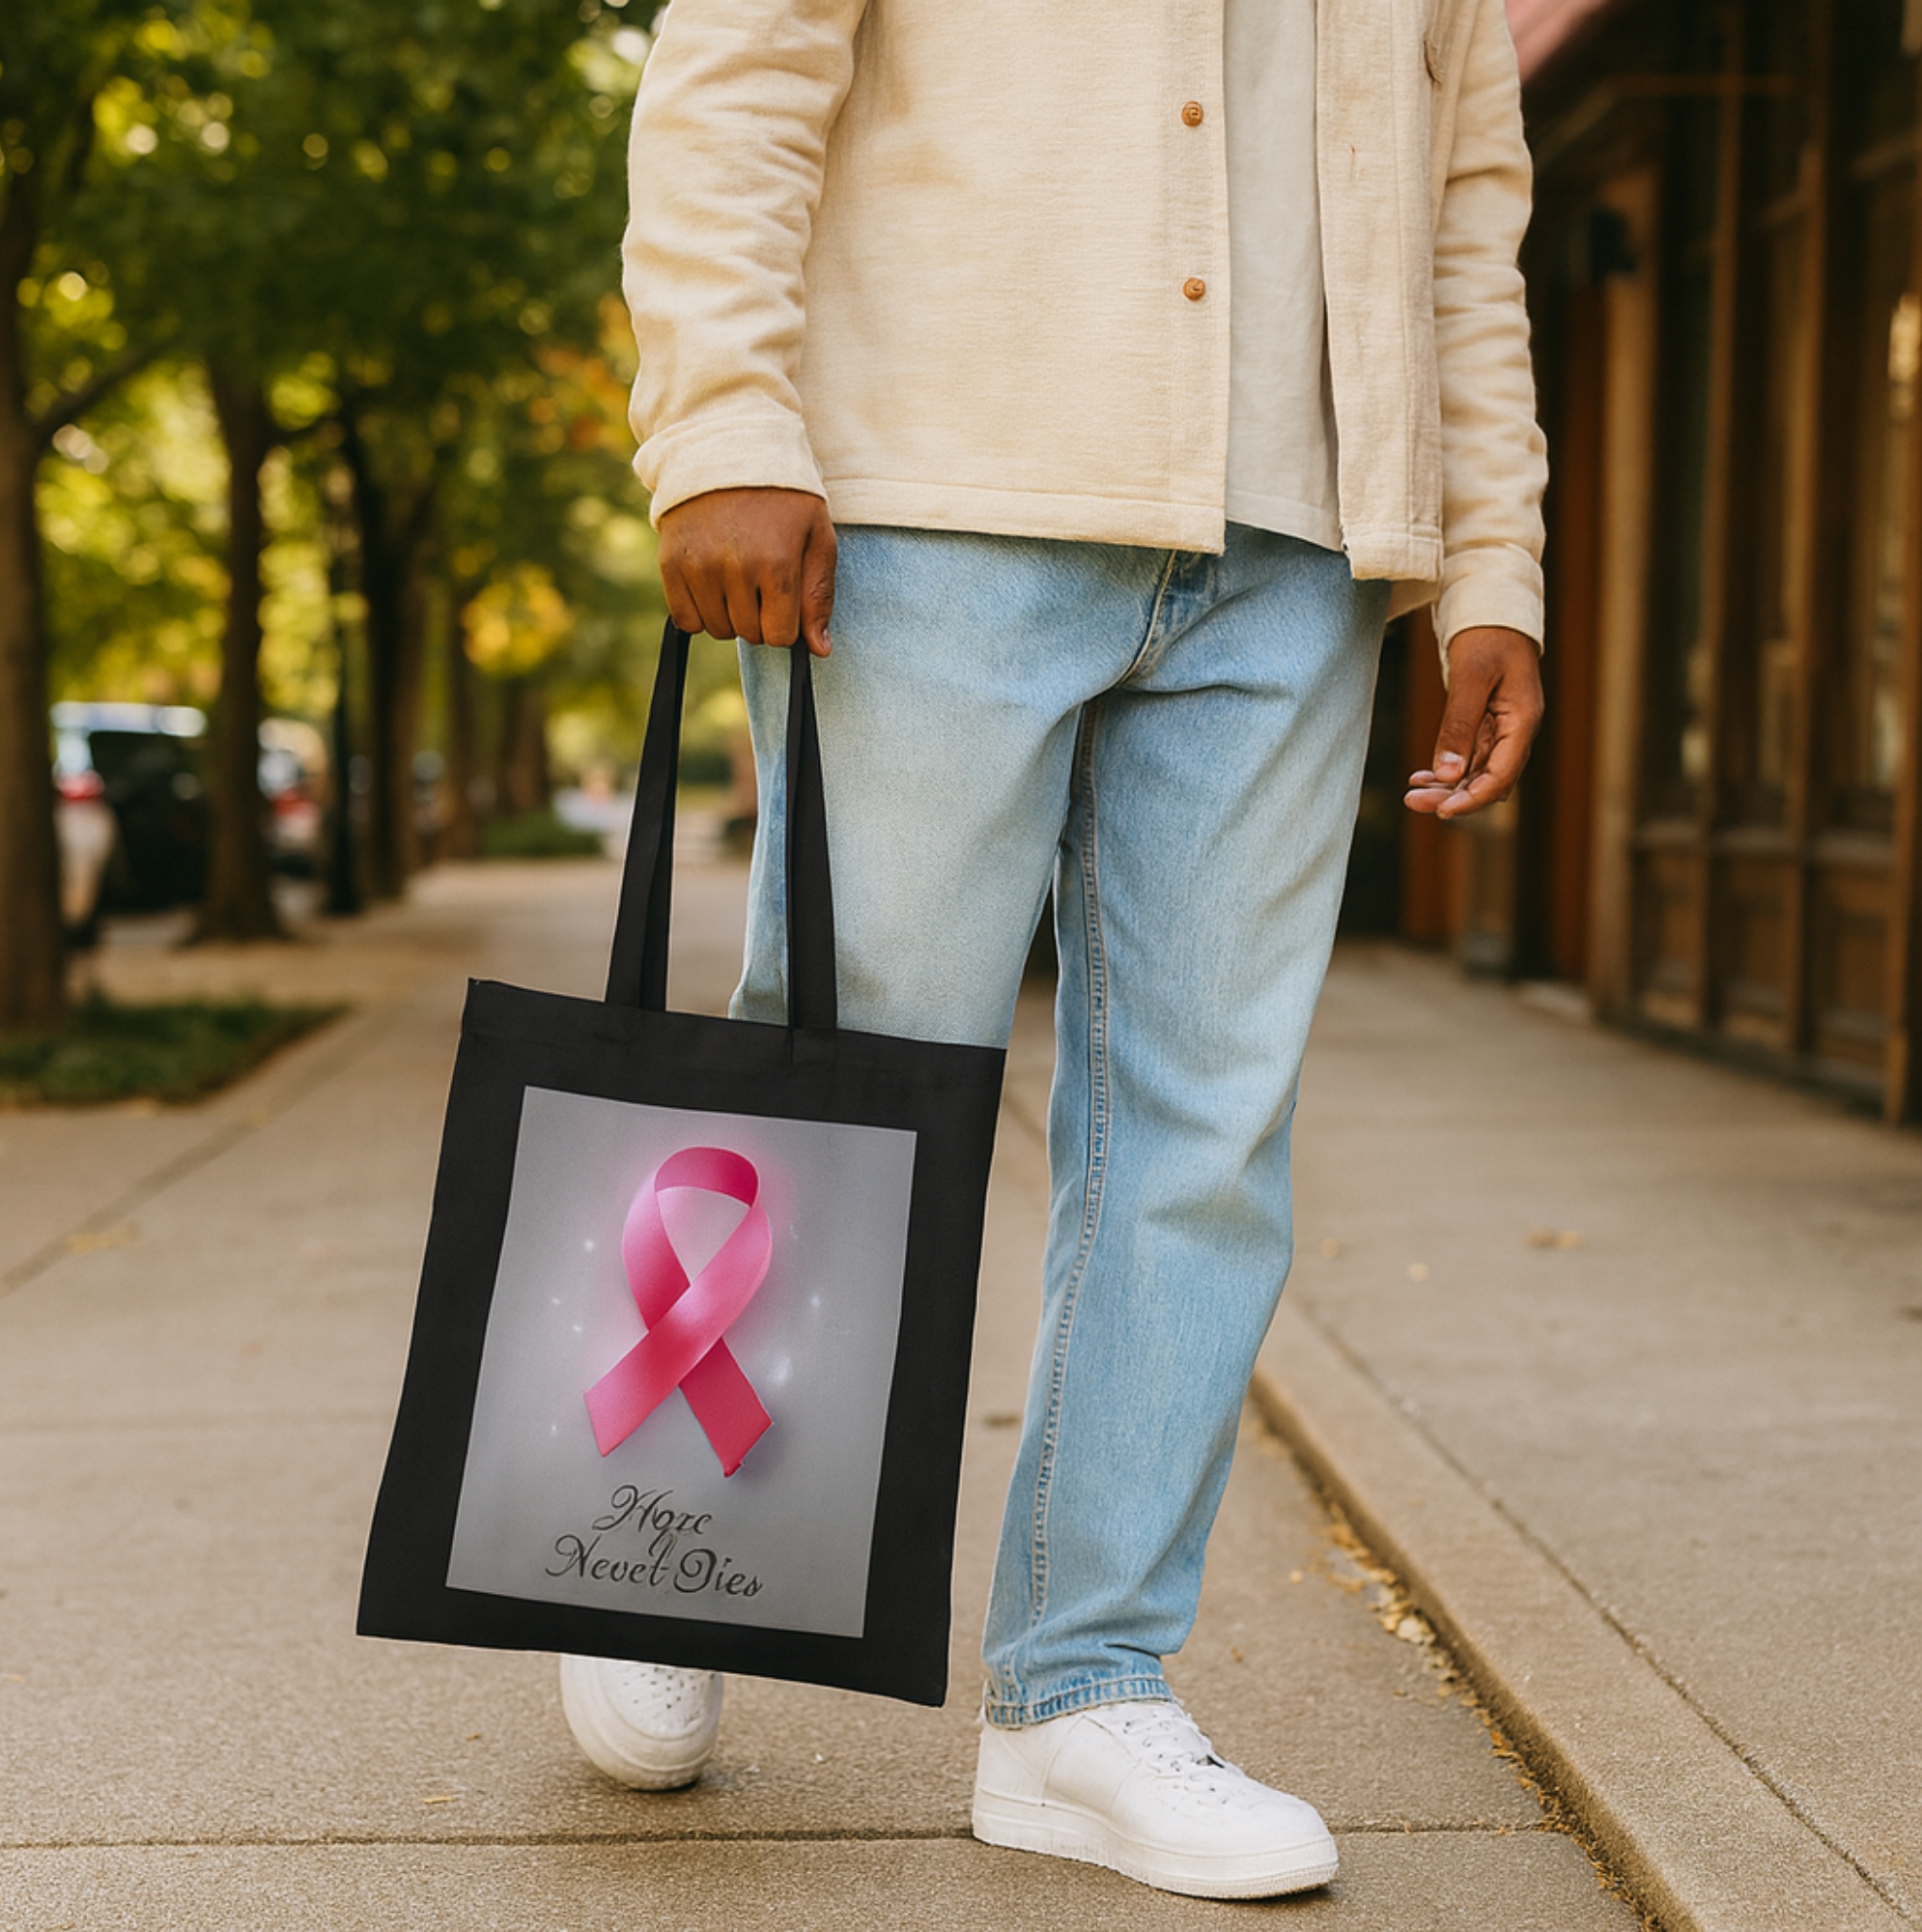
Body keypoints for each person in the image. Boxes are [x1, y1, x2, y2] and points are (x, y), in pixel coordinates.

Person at [558, 0, 1547, 1900]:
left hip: (1302, 548)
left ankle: (1080, 1696)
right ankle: (669, 1549)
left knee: (1205, 1131)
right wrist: (720, 423)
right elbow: (740, 68)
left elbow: (1460, 204)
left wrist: (1486, 554)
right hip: (935, 493)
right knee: (855, 1073)